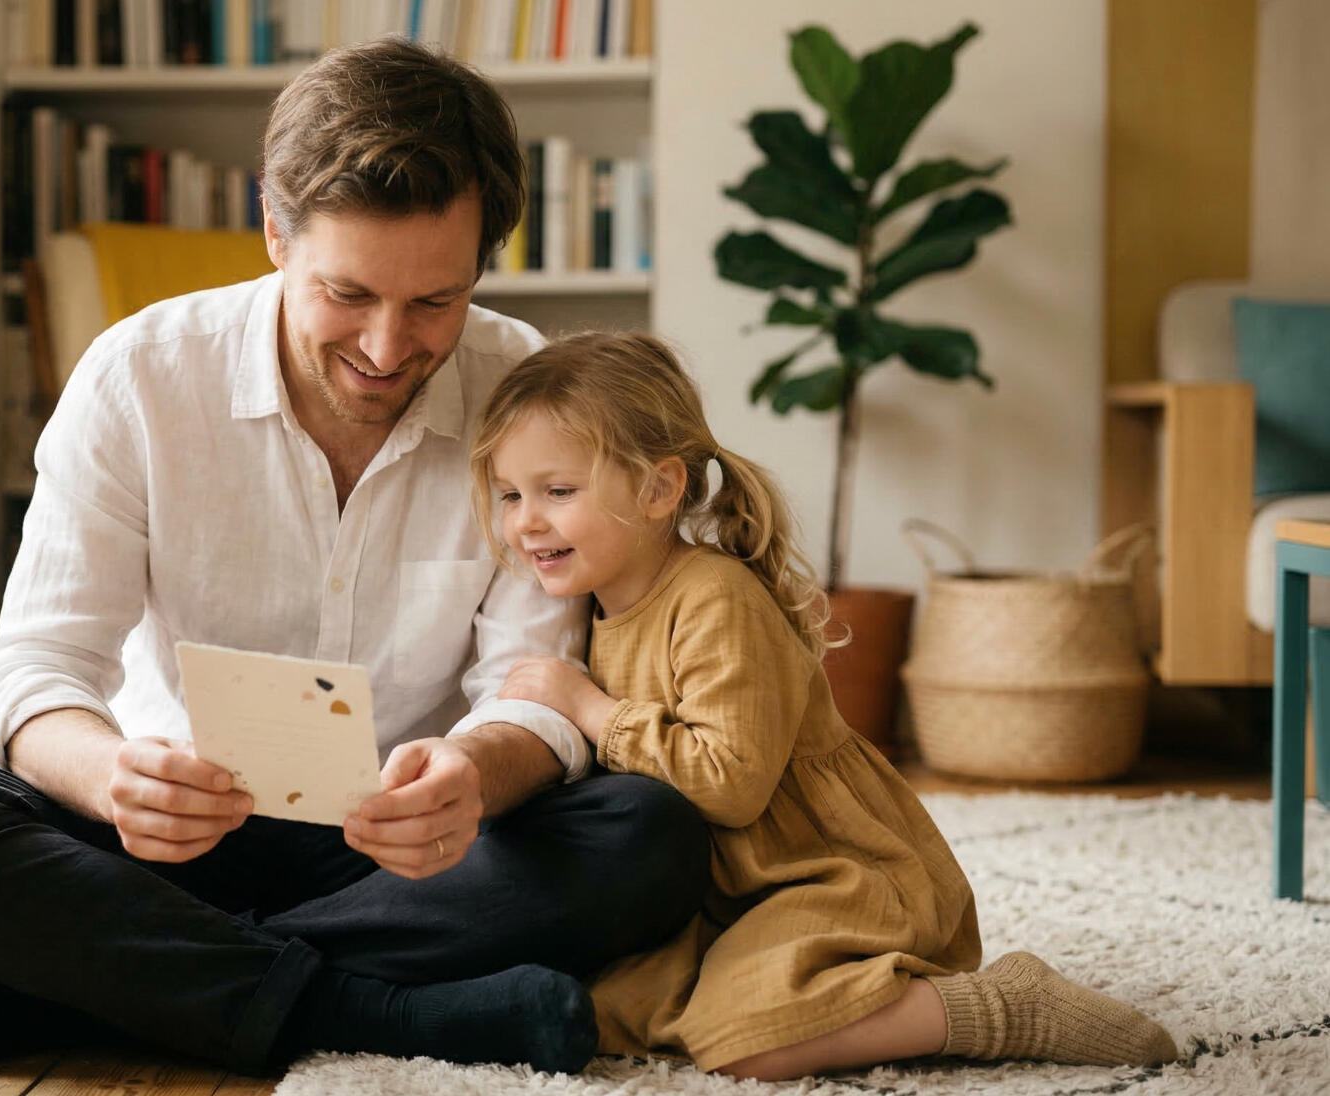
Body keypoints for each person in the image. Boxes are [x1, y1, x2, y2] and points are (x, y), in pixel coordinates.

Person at [0, 41, 709, 1078]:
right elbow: (34, 669)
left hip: (409, 854)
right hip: (168, 848)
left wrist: (474, 772)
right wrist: (115, 776)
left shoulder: (528, 390)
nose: (388, 348)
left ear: (482, 265)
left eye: (436, 302)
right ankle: (378, 1012)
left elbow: (532, 685)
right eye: (349, 294)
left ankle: (118, 988)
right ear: (273, 230)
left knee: (647, 834)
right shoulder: (140, 378)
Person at [474, 331, 1181, 1081]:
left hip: (825, 870)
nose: (525, 521)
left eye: (557, 492)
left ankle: (999, 1006)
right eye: (512, 495)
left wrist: (586, 706)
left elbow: (730, 782)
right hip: (725, 888)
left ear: (657, 490)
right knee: (607, 1006)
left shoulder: (715, 597)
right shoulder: (594, 603)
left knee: (748, 1040)